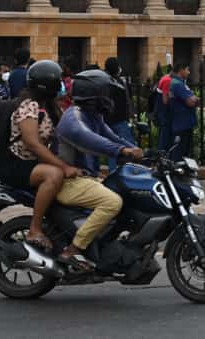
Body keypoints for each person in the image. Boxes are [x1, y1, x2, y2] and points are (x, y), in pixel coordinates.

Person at [55, 69, 144, 270]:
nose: (109, 98)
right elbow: (96, 142)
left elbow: (111, 136)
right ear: (92, 94)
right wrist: (123, 150)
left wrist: (139, 151)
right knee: (112, 202)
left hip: (85, 178)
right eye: (106, 93)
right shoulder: (74, 119)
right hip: (68, 181)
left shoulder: (93, 116)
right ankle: (73, 250)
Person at [0, 60, 79, 252]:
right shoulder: (29, 106)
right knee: (54, 175)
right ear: (48, 85)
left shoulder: (50, 107)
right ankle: (35, 228)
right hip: (17, 165)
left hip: (32, 164)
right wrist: (64, 167)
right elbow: (32, 143)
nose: (62, 86)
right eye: (59, 82)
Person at [102, 58, 136, 173]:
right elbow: (127, 101)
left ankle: (112, 172)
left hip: (107, 120)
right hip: (120, 120)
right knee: (130, 146)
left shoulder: (103, 82)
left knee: (112, 148)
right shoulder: (120, 82)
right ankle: (132, 171)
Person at [164, 62, 199, 161]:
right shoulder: (177, 84)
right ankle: (176, 173)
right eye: (187, 69)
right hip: (181, 124)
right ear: (181, 70)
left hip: (185, 123)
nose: (189, 72)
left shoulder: (181, 83)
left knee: (185, 152)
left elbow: (193, 100)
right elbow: (191, 102)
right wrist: (195, 99)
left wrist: (194, 99)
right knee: (179, 152)